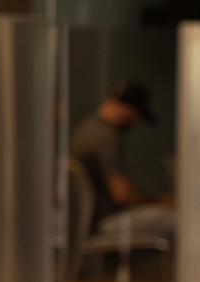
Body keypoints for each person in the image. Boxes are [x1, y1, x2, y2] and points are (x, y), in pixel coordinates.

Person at [71, 79, 173, 239]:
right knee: (181, 220)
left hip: (84, 222)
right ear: (128, 111)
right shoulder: (107, 138)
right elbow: (122, 195)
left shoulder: (85, 128)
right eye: (137, 118)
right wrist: (160, 201)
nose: (136, 124)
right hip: (105, 221)